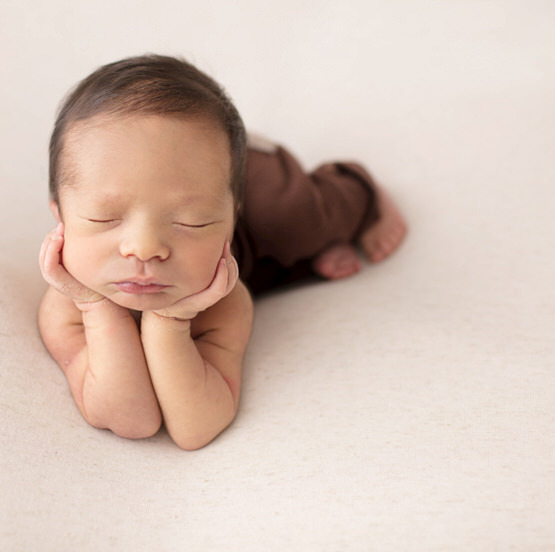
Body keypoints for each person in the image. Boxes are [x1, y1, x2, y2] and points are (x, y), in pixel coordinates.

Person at [38, 55, 406, 450]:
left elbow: (196, 426)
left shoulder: (227, 301)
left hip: (258, 192)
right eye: (103, 218)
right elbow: (131, 419)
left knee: (299, 220)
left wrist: (171, 320)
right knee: (271, 264)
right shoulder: (67, 304)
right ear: (60, 216)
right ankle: (296, 261)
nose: (144, 248)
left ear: (232, 217)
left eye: (192, 220)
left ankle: (360, 191)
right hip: (213, 236)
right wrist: (97, 307)